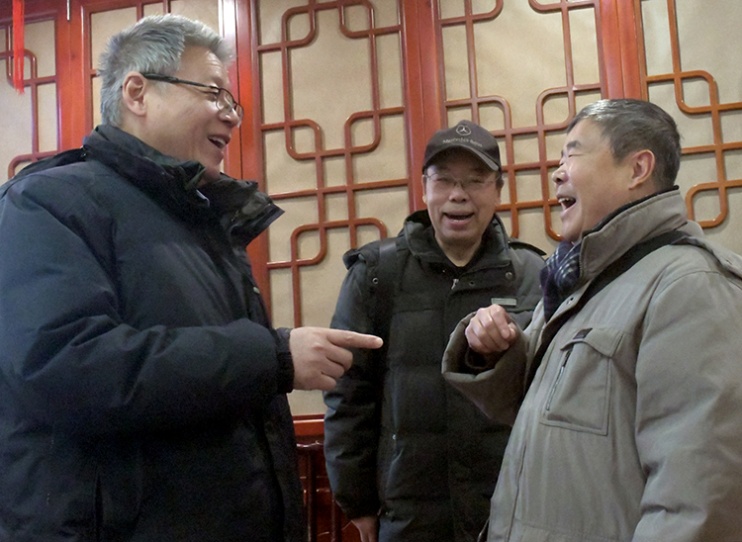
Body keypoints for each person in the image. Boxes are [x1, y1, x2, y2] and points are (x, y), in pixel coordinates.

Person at [0, 14, 382, 542]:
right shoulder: (47, 203)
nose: (231, 115)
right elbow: (65, 365)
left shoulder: (203, 220)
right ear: (137, 92)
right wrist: (272, 357)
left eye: (232, 102)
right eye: (214, 93)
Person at [442, 99, 742, 541]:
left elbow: (700, 497)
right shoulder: (579, 279)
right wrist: (499, 352)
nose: (558, 172)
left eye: (573, 154)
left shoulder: (690, 285)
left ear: (637, 169)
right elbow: (551, 408)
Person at [323, 120, 545, 542]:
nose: (458, 195)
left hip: (510, 510)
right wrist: (358, 502)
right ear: (424, 188)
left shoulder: (530, 274)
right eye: (444, 180)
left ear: (498, 190)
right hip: (409, 516)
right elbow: (349, 394)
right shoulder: (377, 274)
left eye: (476, 180)